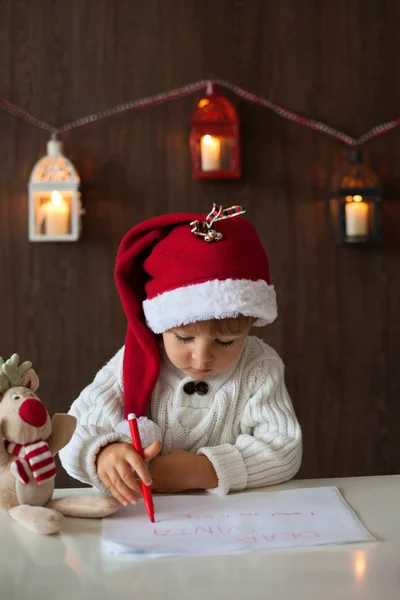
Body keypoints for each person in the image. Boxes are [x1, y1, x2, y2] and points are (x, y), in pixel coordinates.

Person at [59, 204, 302, 505]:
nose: (202, 358)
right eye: (185, 338)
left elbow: (284, 450)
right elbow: (71, 432)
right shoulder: (133, 362)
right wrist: (102, 453)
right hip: (142, 523)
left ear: (251, 325)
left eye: (225, 342)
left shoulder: (259, 368)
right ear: (159, 325)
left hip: (229, 525)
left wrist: (205, 470)